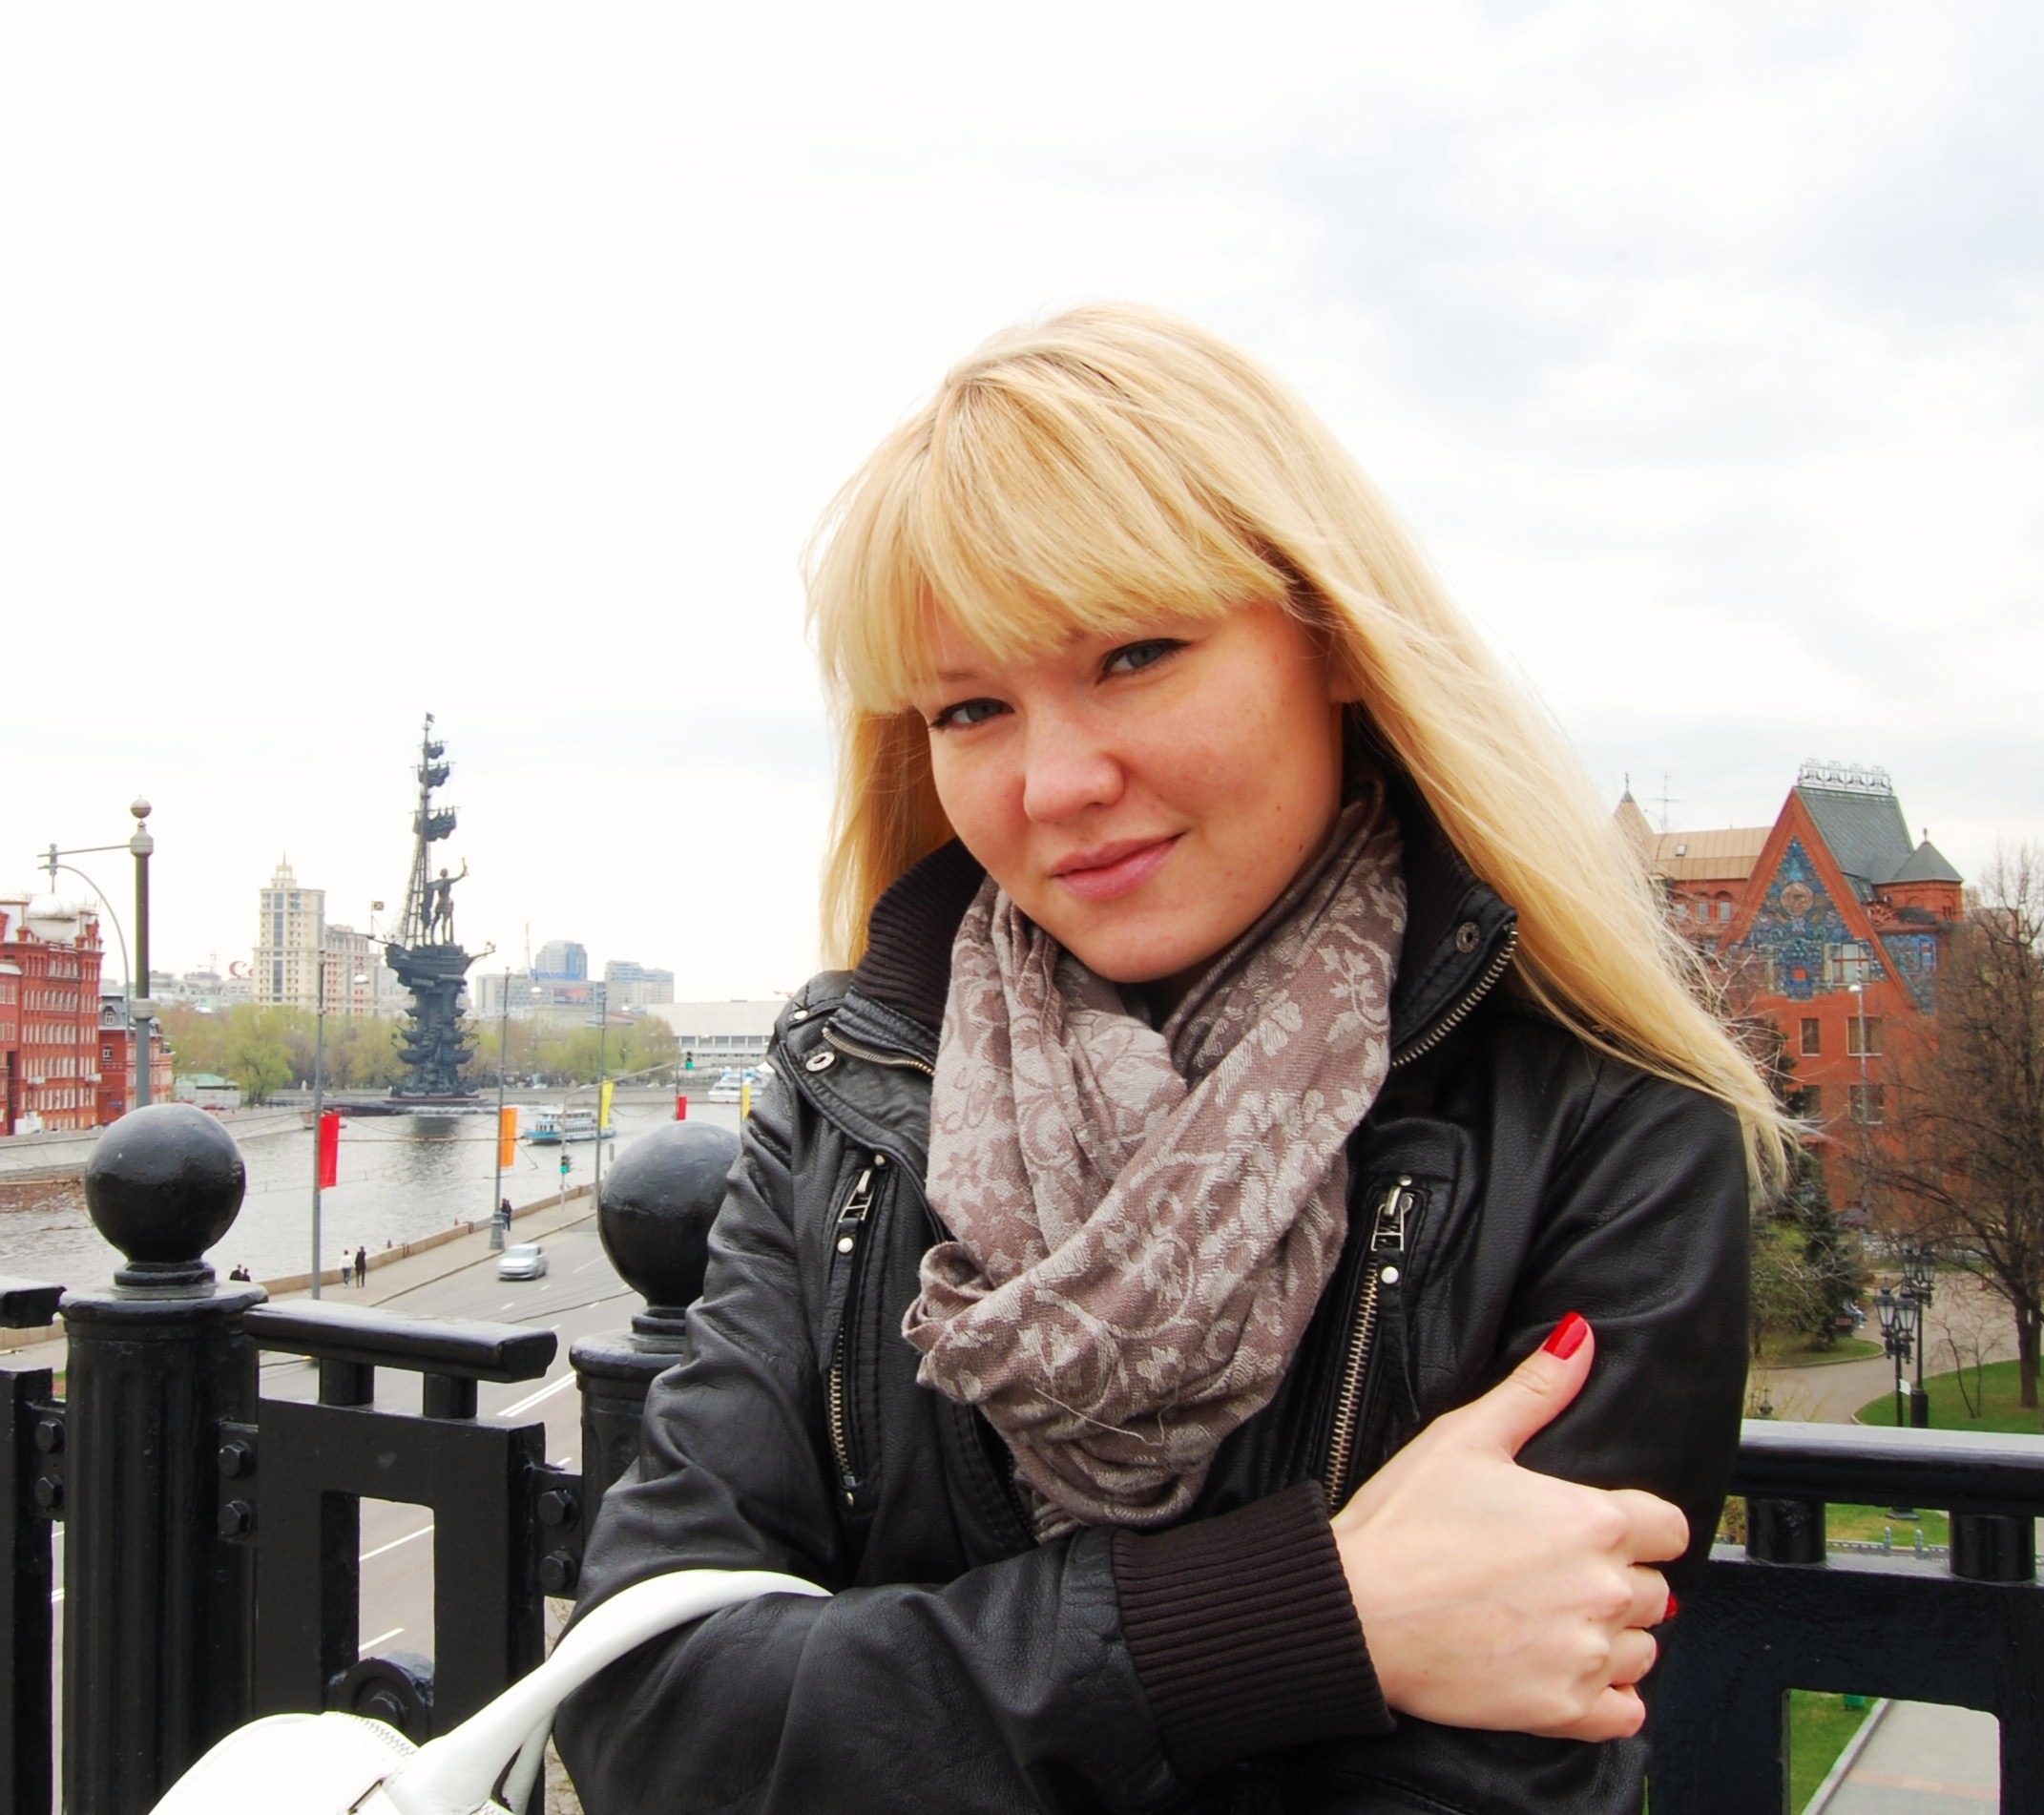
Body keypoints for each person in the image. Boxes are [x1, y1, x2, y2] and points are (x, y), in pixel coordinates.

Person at [559, 305, 1782, 1815]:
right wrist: (1297, 1615)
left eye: (1132, 655)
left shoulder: (1602, 1125)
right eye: (970, 706)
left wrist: (909, 1705)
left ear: (1332, 639)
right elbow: (648, 1705)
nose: (1056, 782)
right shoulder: (855, 1090)